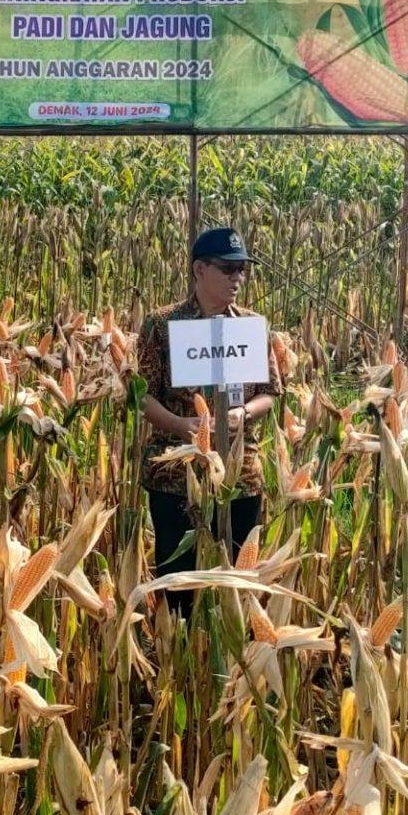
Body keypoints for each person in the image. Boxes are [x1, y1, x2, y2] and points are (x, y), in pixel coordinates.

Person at [137, 227, 279, 615]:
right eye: (228, 269)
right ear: (199, 270)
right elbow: (140, 394)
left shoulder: (251, 326)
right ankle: (178, 658)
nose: (238, 279)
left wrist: (243, 413)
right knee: (178, 580)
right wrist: (181, 426)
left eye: (242, 270)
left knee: (235, 581)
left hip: (239, 470)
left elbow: (271, 391)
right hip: (176, 471)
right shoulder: (161, 324)